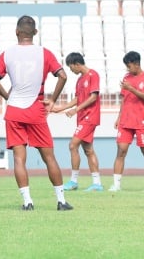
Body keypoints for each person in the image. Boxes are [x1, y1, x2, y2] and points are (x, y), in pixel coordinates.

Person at [0, 15, 73, 211]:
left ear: (17, 32)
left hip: (15, 111)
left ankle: (27, 202)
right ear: (35, 33)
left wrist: (7, 96)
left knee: (19, 158)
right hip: (36, 111)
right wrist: (52, 100)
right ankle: (61, 201)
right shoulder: (44, 53)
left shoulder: (7, 54)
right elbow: (63, 75)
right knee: (49, 157)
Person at [52, 52, 103, 192]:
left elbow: (93, 97)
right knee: (88, 150)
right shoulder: (80, 80)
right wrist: (60, 108)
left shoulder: (93, 75)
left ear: (77, 64)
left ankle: (74, 181)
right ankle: (97, 184)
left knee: (73, 145)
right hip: (82, 117)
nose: (71, 70)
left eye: (71, 67)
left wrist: (75, 110)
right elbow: (77, 99)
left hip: (90, 117)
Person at [110, 51, 144, 193]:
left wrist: (131, 88)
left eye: (129, 66)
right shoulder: (126, 77)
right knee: (121, 151)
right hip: (125, 121)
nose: (128, 69)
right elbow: (124, 99)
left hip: (142, 120)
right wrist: (118, 117)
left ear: (137, 64)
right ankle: (116, 185)